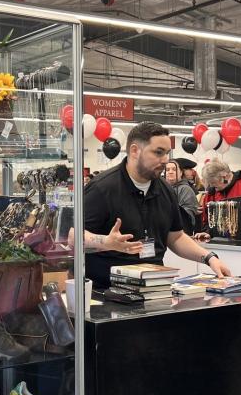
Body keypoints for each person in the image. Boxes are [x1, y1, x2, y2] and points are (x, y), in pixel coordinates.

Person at [83, 122, 232, 288]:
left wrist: (209, 257)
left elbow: (175, 237)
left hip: (155, 288)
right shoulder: (102, 188)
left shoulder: (165, 190)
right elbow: (72, 235)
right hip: (107, 291)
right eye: (158, 152)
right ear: (134, 151)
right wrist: (105, 242)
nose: (165, 160)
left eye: (167, 153)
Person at [164, 159, 199, 235]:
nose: (170, 172)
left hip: (181, 234)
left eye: (174, 169)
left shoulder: (185, 189)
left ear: (180, 173)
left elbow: (189, 216)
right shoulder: (161, 189)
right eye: (167, 170)